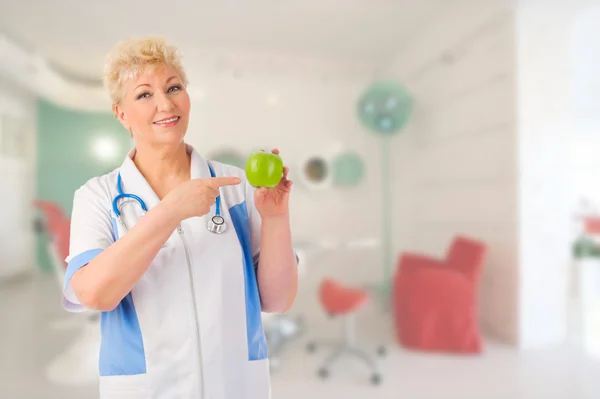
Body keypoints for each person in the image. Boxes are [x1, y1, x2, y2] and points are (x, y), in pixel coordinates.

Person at [62, 36, 298, 399]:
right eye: (144, 94)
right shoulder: (99, 196)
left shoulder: (235, 187)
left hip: (235, 385)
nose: (165, 103)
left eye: (174, 87)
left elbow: (278, 301)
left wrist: (276, 217)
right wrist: (170, 211)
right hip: (147, 388)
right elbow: (94, 294)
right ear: (121, 113)